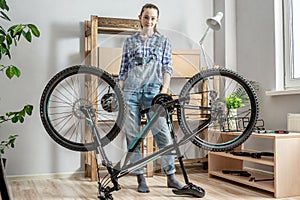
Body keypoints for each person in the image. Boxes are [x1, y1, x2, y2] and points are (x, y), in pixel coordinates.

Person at [118, 3, 185, 193]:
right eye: (146, 17)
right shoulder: (129, 41)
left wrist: (163, 90)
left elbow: (167, 68)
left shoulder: (164, 41)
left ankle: (171, 176)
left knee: (162, 133)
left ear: (157, 20)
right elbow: (123, 71)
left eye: (153, 18)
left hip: (154, 91)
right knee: (133, 135)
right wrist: (117, 92)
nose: (149, 21)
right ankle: (141, 178)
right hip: (130, 91)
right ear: (139, 17)